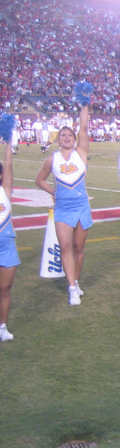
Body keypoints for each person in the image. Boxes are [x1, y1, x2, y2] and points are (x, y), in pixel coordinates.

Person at [34, 103, 91, 306]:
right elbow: (39, 179)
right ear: (58, 140)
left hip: (82, 206)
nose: (67, 138)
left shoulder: (81, 153)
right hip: (63, 209)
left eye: (70, 135)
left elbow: (83, 127)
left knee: (79, 247)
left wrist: (84, 104)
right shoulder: (52, 159)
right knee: (65, 246)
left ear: (75, 140)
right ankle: (72, 288)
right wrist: (54, 192)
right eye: (63, 135)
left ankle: (76, 281)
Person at [0, 140, 17, 341]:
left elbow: (9, 164)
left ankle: (2, 327)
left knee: (5, 289)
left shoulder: (5, 191)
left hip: (7, 246)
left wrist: (8, 143)